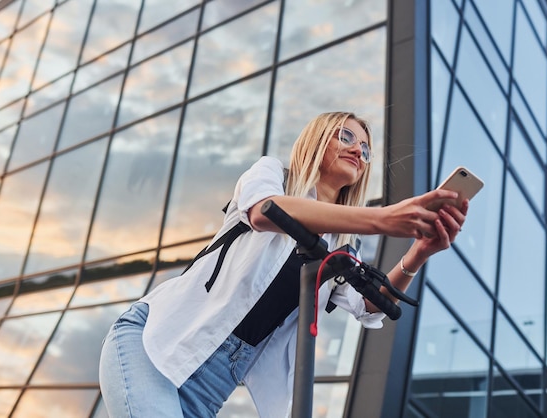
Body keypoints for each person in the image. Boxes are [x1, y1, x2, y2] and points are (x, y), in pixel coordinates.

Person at [98, 111, 468, 418]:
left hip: (210, 389)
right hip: (153, 347)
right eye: (346, 136)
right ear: (317, 141)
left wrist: (420, 251)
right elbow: (264, 212)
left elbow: (370, 306)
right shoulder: (272, 175)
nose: (358, 150)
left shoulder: (341, 246)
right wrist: (383, 218)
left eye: (366, 150)